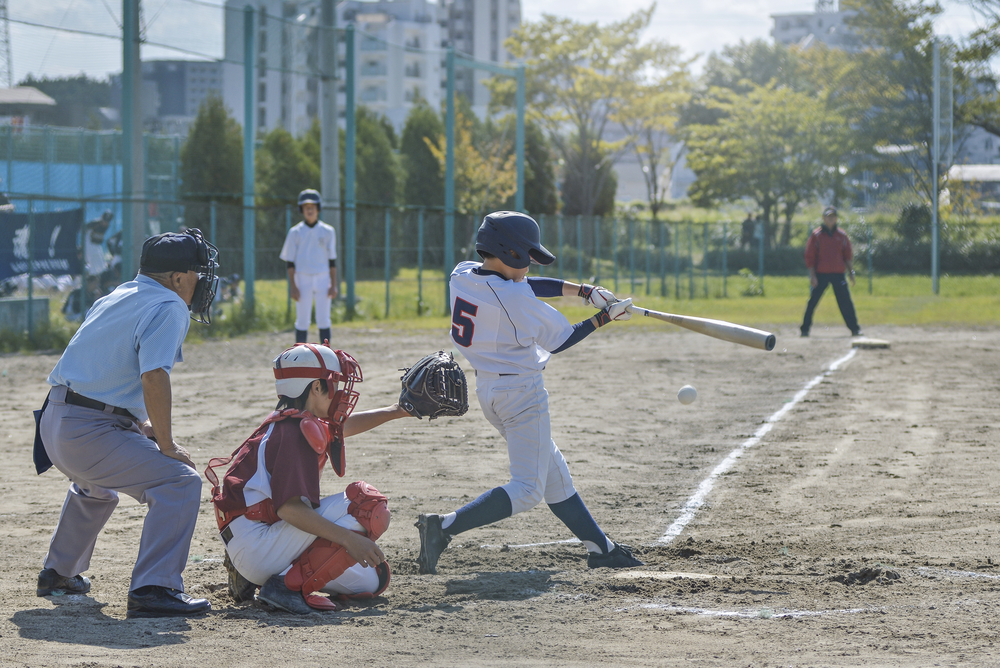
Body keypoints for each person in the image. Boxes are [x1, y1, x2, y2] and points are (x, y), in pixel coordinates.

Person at [415, 211, 643, 575]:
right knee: (527, 490)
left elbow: (521, 284)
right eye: (526, 257)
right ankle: (442, 527)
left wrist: (583, 291)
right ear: (510, 252)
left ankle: (602, 548)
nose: (529, 265)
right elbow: (561, 338)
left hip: (490, 389)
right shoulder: (516, 300)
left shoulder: (462, 273)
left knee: (554, 471)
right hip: (521, 394)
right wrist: (604, 318)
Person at [34, 228, 220, 618]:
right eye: (197, 272)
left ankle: (59, 573)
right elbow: (153, 376)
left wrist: (142, 425)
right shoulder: (169, 304)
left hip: (55, 422)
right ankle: (155, 588)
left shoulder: (119, 294)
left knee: (96, 487)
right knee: (179, 481)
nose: (201, 280)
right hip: (88, 431)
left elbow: (102, 372)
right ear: (178, 278)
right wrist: (167, 445)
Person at [206, 342, 414, 614]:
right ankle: (283, 586)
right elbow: (290, 509)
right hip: (259, 542)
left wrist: (397, 410)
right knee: (367, 504)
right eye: (333, 383)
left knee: (374, 579)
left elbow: (341, 429)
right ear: (316, 387)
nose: (338, 392)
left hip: (251, 539)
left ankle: (261, 574)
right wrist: (348, 539)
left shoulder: (290, 420)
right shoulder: (295, 433)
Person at [280, 189, 338, 344]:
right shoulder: (295, 232)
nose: (310, 210)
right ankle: (300, 357)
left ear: (318, 208)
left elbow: (332, 260)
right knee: (302, 320)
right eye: (306, 207)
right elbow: (290, 261)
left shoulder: (328, 231)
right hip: (302, 277)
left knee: (323, 319)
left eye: (313, 206)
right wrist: (293, 286)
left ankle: (326, 355)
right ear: (302, 210)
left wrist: (334, 284)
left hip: (323, 277)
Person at [800, 206, 863, 337]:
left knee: (845, 302)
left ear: (836, 218)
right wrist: (812, 276)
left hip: (838, 273)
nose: (831, 219)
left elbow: (847, 256)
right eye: (828, 216)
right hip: (821, 273)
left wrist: (851, 273)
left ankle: (855, 328)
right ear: (823, 218)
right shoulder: (817, 235)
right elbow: (810, 256)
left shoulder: (842, 235)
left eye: (833, 216)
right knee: (813, 301)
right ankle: (805, 329)